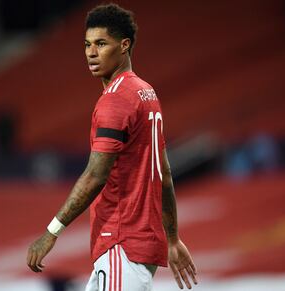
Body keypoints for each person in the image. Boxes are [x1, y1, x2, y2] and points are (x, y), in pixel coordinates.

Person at [27, 3, 198, 290]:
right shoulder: (145, 92)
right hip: (135, 245)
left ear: (124, 46)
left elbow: (96, 175)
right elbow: (164, 173)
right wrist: (171, 238)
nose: (91, 52)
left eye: (101, 44)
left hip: (122, 242)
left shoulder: (116, 100)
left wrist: (51, 232)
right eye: (87, 44)